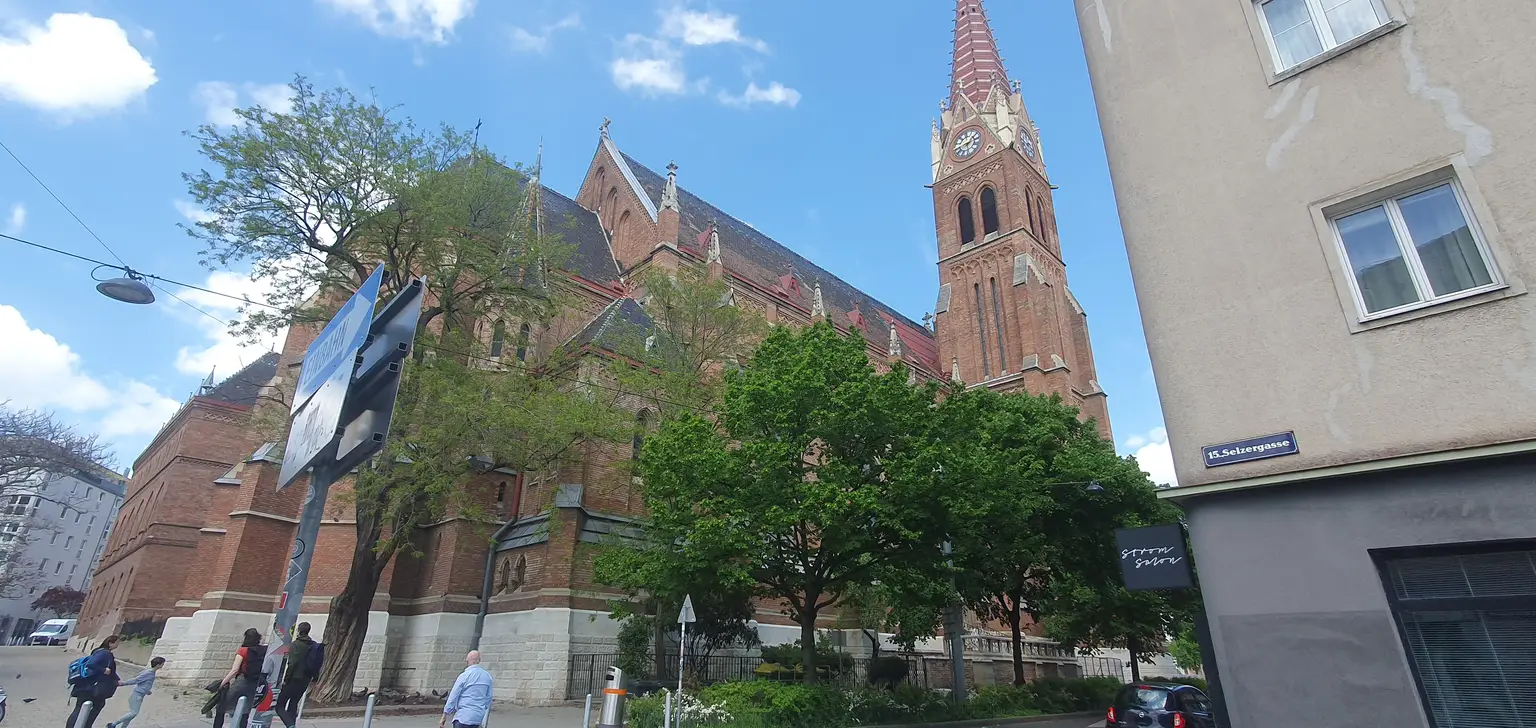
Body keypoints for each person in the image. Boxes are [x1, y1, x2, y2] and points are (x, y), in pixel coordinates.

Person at [213, 629, 267, 728]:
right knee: (246, 711)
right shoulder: (262, 650)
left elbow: (234, 670)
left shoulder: (243, 650)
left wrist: (222, 683)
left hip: (242, 680)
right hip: (255, 683)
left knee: (222, 706)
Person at [65, 635, 119, 728]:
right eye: (117, 642)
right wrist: (103, 670)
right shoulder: (106, 653)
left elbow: (111, 671)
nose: (118, 644)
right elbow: (92, 664)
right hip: (92, 687)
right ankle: (85, 725)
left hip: (85, 685)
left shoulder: (98, 651)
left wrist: (117, 679)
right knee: (97, 705)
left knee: (79, 708)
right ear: (110, 643)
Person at [274, 623, 318, 728]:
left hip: (294, 678)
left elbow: (292, 663)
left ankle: (290, 725)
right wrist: (315, 678)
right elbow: (317, 662)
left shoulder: (295, 644)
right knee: (293, 704)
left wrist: (286, 679)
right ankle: (291, 724)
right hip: (305, 679)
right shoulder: (313, 645)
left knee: (279, 706)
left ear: (298, 630)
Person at [106, 657, 164, 728]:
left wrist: (147, 691)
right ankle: (113, 724)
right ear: (158, 664)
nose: (163, 665)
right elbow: (136, 680)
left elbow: (144, 682)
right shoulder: (149, 672)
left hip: (140, 694)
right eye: (162, 663)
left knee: (131, 714)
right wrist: (123, 683)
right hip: (137, 695)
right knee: (134, 713)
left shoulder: (151, 671)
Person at [439, 651, 493, 728]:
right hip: (477, 717)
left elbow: (453, 696)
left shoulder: (464, 676)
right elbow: (489, 697)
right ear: (479, 660)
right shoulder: (487, 676)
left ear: (467, 660)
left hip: (463, 716)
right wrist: (482, 709)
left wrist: (445, 714)